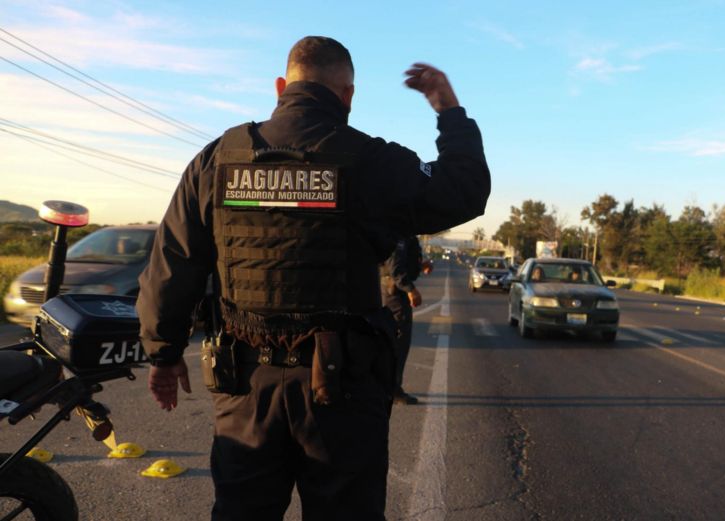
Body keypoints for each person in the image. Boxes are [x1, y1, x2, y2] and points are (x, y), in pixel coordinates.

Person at [136, 36, 489, 521]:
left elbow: (174, 262)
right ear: (347, 96)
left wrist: (163, 353)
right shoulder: (371, 161)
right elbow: (464, 191)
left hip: (243, 384)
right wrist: (448, 109)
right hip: (340, 388)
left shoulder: (218, 157)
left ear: (282, 86)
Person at [380, 236, 426, 405]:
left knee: (396, 342)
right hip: (395, 295)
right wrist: (411, 289)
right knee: (398, 343)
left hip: (395, 293)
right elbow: (395, 269)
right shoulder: (399, 232)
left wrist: (420, 266)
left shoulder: (404, 232)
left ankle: (390, 387)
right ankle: (392, 389)